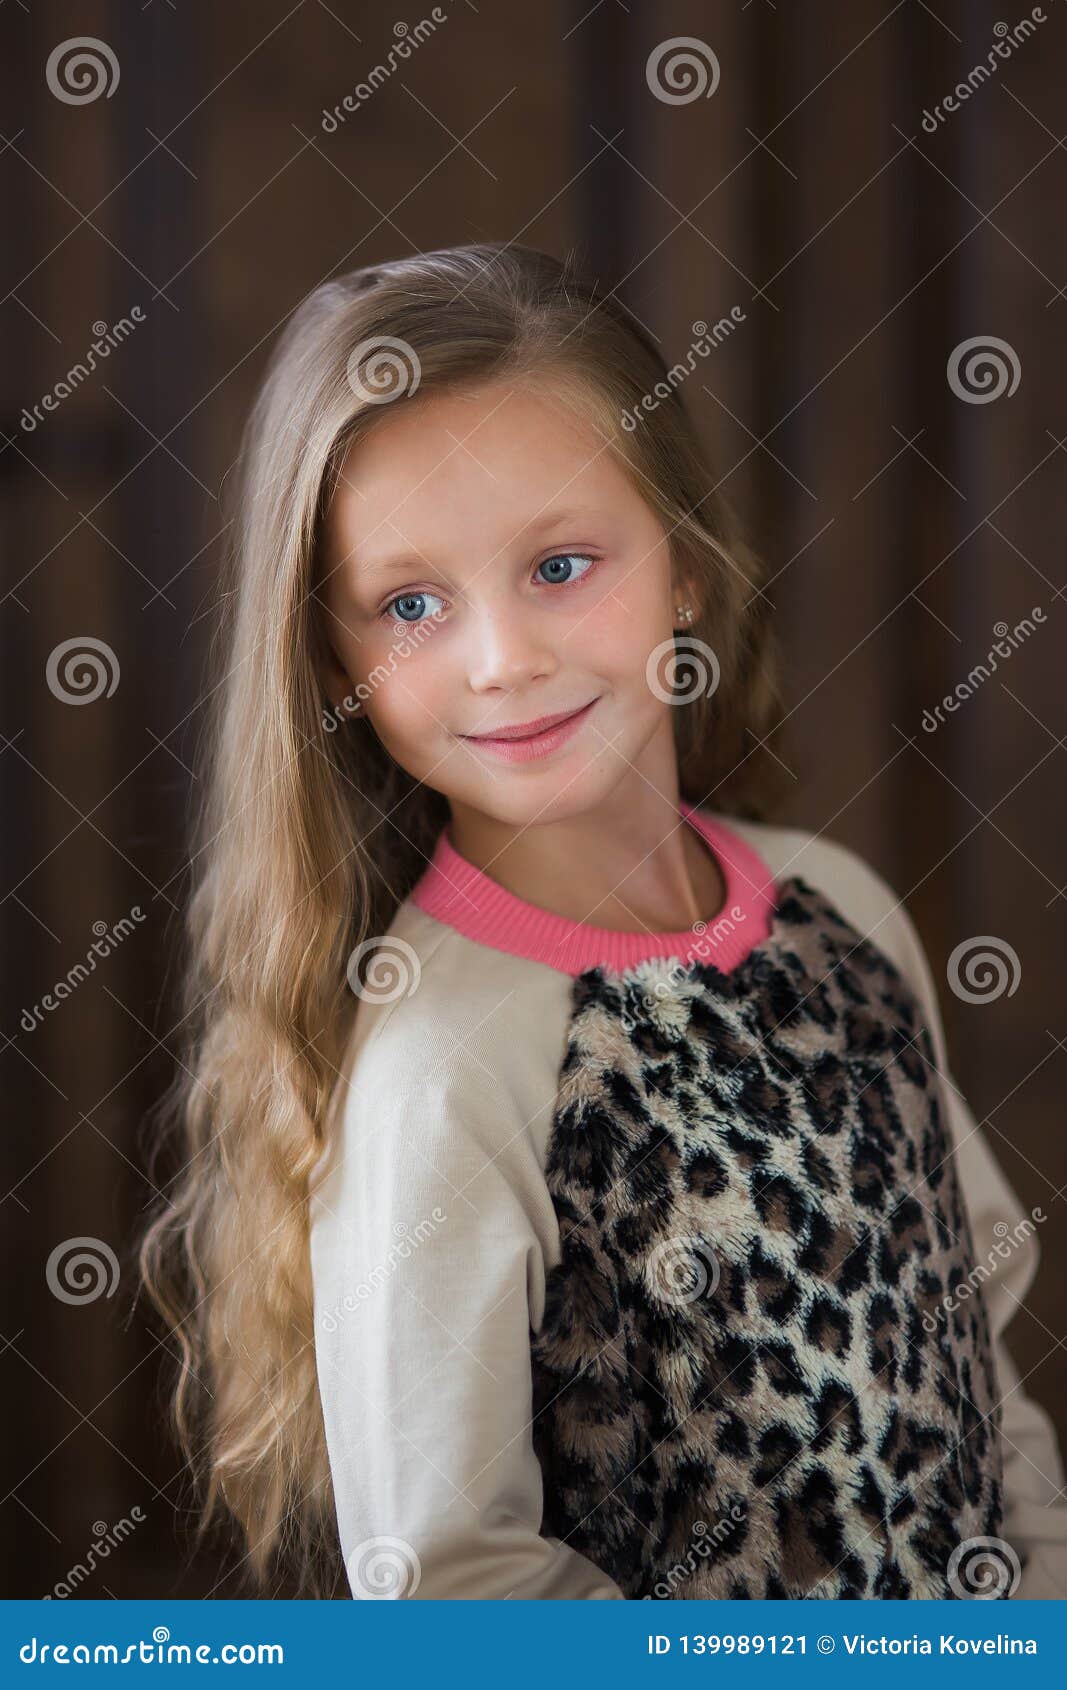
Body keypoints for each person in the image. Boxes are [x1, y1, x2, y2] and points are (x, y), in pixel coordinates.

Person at [139, 242, 1067, 1601]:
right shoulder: (446, 1072)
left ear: (685, 569)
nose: (502, 657)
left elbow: (979, 1374)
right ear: (337, 663)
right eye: (410, 604)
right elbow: (458, 1595)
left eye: (561, 564)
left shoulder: (843, 911)